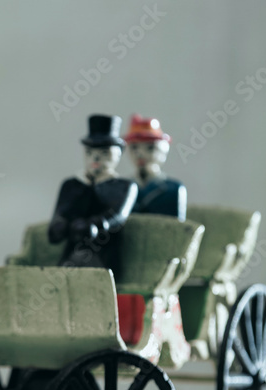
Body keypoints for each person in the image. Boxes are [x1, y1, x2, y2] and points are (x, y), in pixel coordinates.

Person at [48, 114, 138, 275]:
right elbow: (60, 212)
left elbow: (117, 216)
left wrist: (95, 224)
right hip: (72, 255)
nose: (95, 158)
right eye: (89, 152)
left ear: (118, 153)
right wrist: (59, 224)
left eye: (104, 153)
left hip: (104, 257)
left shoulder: (124, 186)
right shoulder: (72, 185)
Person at [124, 115, 187, 221]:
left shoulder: (173, 188)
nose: (140, 154)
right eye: (134, 147)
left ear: (163, 151)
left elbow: (177, 227)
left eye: (150, 148)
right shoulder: (123, 187)